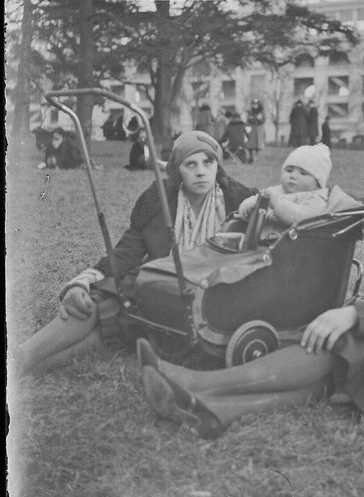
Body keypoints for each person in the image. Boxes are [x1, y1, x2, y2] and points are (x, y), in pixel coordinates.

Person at [138, 132, 364, 438]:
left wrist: (353, 314)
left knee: (343, 342)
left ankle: (198, 383)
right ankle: (214, 409)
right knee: (339, 367)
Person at [19, 131, 257, 372]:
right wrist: (83, 282)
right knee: (91, 303)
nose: (200, 171)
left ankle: (19, 364)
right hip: (155, 285)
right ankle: (19, 358)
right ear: (177, 170)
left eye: (208, 162)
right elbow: (125, 254)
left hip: (204, 299)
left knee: (108, 327)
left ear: (218, 165)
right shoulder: (158, 200)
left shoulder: (239, 202)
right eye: (190, 164)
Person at [238, 143, 331, 227]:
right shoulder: (277, 190)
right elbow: (254, 199)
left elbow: (302, 218)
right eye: (289, 170)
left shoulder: (316, 199)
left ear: (317, 183)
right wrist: (249, 207)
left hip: (294, 243)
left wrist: (277, 204)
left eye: (303, 173)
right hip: (262, 238)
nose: (293, 176)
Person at [244, 99, 265, 164]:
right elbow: (247, 120)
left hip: (258, 128)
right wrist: (250, 119)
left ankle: (256, 158)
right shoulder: (249, 111)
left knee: (258, 144)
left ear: (258, 104)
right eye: (253, 104)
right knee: (250, 144)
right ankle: (251, 156)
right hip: (251, 128)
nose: (255, 105)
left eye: (256, 104)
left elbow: (263, 120)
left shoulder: (261, 111)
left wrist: (259, 120)